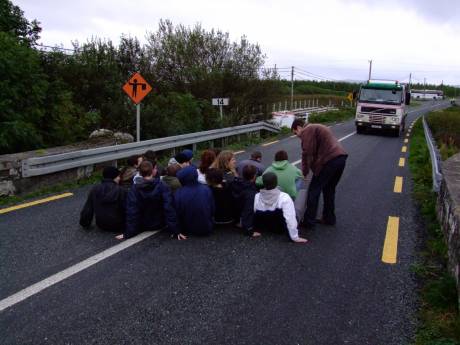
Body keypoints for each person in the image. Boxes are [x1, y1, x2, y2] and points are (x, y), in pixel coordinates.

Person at [291, 118, 348, 228]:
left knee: (313, 191)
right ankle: (329, 218)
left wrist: (305, 172)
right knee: (329, 190)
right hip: (340, 159)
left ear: (299, 127)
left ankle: (309, 222)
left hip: (329, 161)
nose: (297, 136)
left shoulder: (308, 130)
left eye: (295, 133)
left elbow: (307, 152)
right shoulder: (316, 127)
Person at [121, 161, 186, 240]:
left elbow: (132, 211)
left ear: (140, 173)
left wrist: (128, 233)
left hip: (142, 224)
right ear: (153, 171)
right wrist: (176, 230)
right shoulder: (162, 185)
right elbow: (169, 208)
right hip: (160, 223)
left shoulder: (134, 189)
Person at [253, 172, 308, 243]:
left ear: (263, 183)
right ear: (276, 183)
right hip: (280, 228)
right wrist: (295, 237)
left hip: (265, 226)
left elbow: (254, 212)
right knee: (303, 192)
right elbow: (289, 218)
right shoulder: (284, 197)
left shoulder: (257, 196)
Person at [80, 166, 127, 233]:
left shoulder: (95, 189)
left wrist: (85, 224)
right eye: (118, 176)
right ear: (115, 177)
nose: (119, 178)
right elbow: (128, 209)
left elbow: (88, 209)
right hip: (119, 226)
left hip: (101, 225)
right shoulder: (121, 190)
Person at [175, 166, 215, 236]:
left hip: (188, 230)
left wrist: (177, 230)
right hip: (208, 227)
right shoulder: (206, 189)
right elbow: (212, 208)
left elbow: (177, 212)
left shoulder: (178, 193)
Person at [231, 164, 259, 236]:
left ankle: (238, 221)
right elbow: (248, 211)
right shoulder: (251, 192)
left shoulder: (236, 182)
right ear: (254, 176)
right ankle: (245, 226)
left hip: (234, 211)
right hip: (243, 211)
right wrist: (249, 230)